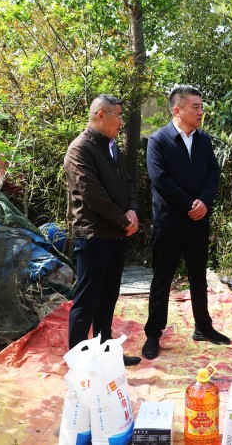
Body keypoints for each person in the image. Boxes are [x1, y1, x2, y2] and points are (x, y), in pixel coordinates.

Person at [141, 85, 230, 360]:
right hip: (169, 222)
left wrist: (204, 202)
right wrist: (191, 204)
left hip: (198, 221)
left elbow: (213, 173)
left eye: (201, 107)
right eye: (196, 107)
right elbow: (160, 180)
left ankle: (203, 327)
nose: (201, 112)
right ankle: (153, 334)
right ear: (178, 110)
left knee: (198, 275)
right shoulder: (158, 140)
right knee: (162, 278)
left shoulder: (203, 140)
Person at [64, 94, 141, 366]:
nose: (121, 121)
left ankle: (106, 353)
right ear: (101, 115)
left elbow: (128, 182)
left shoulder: (112, 147)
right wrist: (124, 220)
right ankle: (79, 361)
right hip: (94, 235)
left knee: (108, 298)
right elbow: (92, 194)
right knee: (87, 300)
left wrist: (132, 210)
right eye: (117, 115)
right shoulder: (80, 149)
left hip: (116, 234)